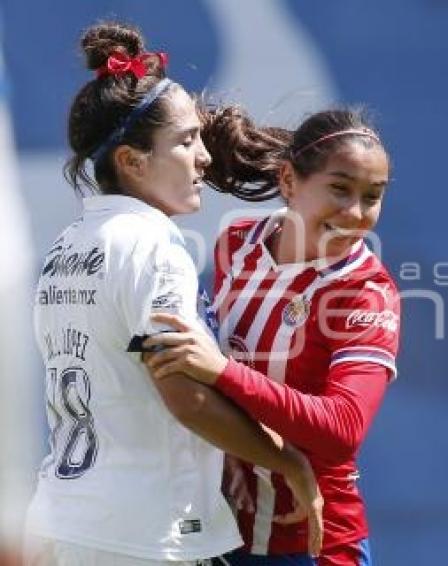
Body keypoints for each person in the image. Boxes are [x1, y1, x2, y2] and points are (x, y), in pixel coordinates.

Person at [25, 22, 322, 565]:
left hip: (65, 520)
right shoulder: (154, 246)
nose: (204, 157)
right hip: (142, 536)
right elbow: (184, 397)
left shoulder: (66, 246)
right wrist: (288, 462)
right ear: (133, 162)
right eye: (185, 141)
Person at [143, 106, 401, 565]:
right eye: (340, 189)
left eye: (373, 196)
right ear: (288, 181)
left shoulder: (366, 292)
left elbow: (342, 430)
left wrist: (221, 371)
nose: (356, 213)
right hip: (219, 535)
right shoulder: (237, 243)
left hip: (315, 545)